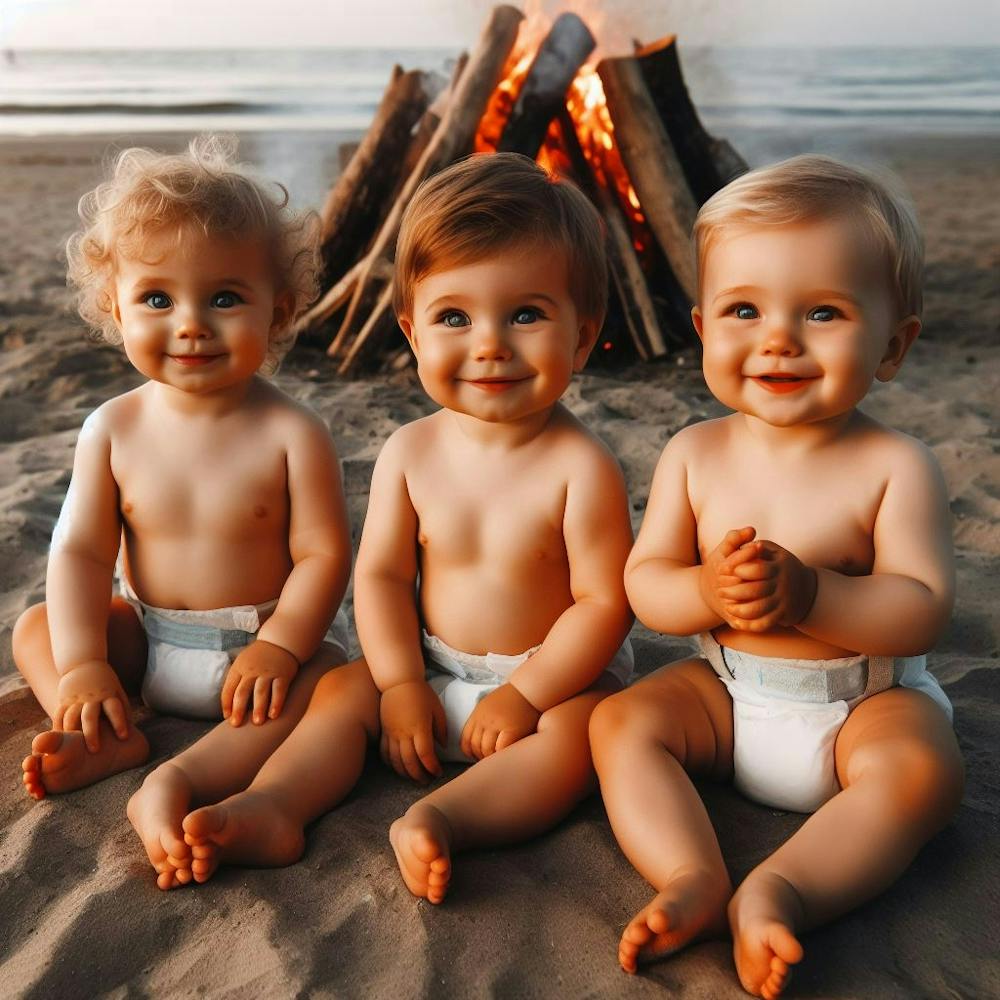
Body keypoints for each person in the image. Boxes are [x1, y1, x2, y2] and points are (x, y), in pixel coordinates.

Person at [589, 156, 964, 998]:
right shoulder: (693, 453)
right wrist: (705, 595)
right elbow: (645, 583)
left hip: (863, 702)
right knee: (620, 724)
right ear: (702, 328)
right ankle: (691, 873)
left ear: (893, 345)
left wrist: (815, 597)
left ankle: (784, 889)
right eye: (744, 310)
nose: (778, 338)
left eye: (823, 311)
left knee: (925, 770)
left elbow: (922, 610)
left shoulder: (895, 465)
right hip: (729, 695)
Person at [13, 135, 378, 889]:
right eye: (157, 298)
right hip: (147, 642)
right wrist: (84, 664)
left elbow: (323, 556)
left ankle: (243, 787)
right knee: (37, 629)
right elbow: (80, 553)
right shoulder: (111, 429)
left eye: (223, 298)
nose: (190, 323)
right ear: (114, 307)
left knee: (348, 687)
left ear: (279, 310)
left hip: (263, 651)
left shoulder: (292, 432)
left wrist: (281, 646)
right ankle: (97, 730)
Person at [355, 152, 634, 903]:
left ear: (581, 336)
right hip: (431, 666)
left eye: (526, 315)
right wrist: (400, 683)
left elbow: (604, 604)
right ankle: (275, 802)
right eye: (455, 317)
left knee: (594, 729)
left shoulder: (582, 466)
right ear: (412, 332)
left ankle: (447, 818)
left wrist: (528, 694)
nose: (489, 344)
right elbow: (381, 578)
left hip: (550, 676)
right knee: (337, 693)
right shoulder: (407, 452)